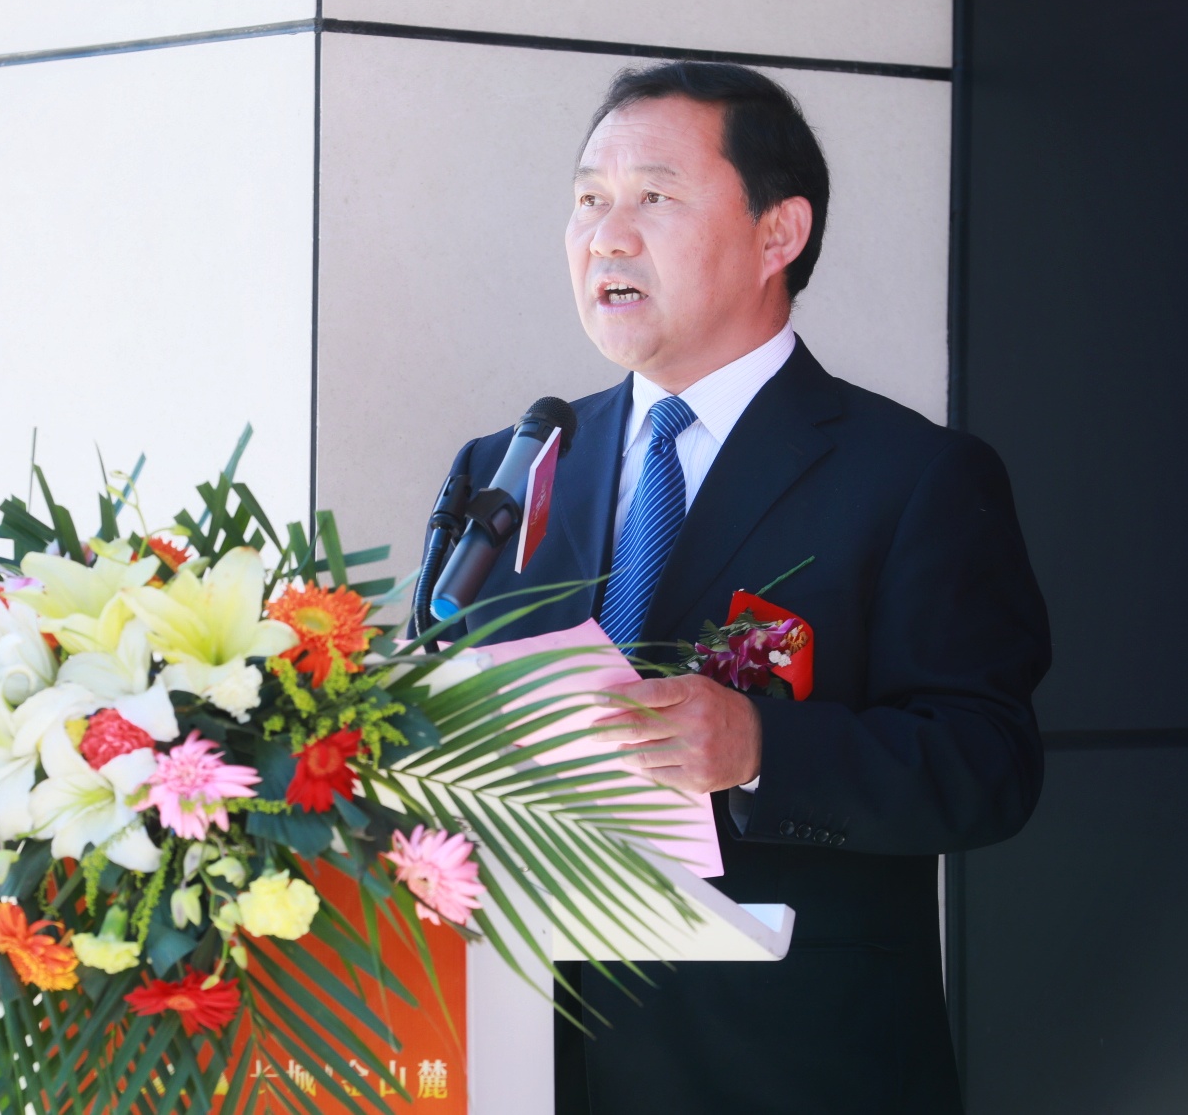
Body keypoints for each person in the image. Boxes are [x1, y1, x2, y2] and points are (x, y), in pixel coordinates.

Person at [425, 61, 1050, 1112]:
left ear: (778, 234)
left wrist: (764, 747)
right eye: (588, 199)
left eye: (654, 197)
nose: (607, 237)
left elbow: (987, 764)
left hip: (784, 1069)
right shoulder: (510, 466)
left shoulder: (912, 477)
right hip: (521, 1058)